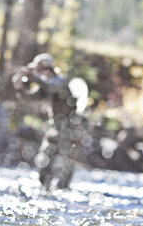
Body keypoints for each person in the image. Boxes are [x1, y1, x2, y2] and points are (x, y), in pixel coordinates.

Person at [12, 53, 87, 189]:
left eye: (39, 70)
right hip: (56, 128)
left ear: (47, 69)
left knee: (65, 168)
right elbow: (29, 98)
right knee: (45, 161)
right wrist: (19, 88)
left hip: (72, 128)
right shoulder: (45, 86)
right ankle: (45, 189)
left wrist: (33, 77)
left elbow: (52, 86)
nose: (37, 73)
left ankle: (62, 193)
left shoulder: (61, 81)